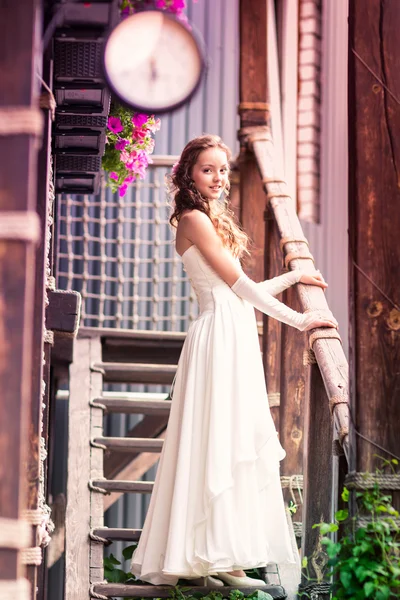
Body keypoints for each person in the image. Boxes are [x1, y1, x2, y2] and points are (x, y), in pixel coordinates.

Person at [130, 134, 338, 588]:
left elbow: (241, 290)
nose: (218, 178)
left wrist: (295, 275)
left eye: (223, 169)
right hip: (217, 338)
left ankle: (225, 558)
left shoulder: (209, 218)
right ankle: (221, 561)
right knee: (217, 441)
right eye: (208, 169)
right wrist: (300, 320)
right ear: (189, 173)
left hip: (233, 333)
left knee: (231, 441)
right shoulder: (192, 218)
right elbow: (239, 286)